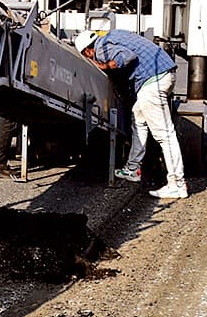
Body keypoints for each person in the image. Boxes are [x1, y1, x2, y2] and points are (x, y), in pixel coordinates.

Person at [79, 28, 187, 200]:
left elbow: (126, 56)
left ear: (87, 51)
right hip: (160, 75)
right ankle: (132, 168)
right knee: (138, 119)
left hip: (153, 80)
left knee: (165, 135)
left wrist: (104, 66)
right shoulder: (112, 36)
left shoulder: (100, 49)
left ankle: (177, 184)